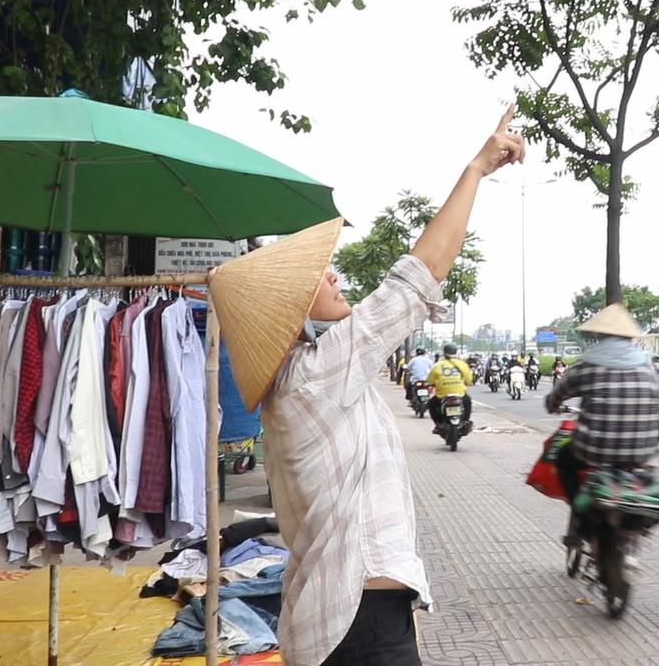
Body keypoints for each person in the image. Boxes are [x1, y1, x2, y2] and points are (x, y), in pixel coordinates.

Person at [208, 105, 525, 666]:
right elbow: (419, 273)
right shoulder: (316, 371)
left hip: (338, 621)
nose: (330, 274)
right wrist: (475, 168)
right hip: (360, 625)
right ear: (287, 310)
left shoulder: (297, 379)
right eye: (315, 276)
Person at [545, 304, 659, 546]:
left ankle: (580, 515)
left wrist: (552, 404)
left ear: (599, 334)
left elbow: (557, 394)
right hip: (641, 451)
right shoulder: (648, 365)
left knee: (564, 460)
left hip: (593, 449)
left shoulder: (587, 364)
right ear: (630, 336)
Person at [427, 343, 474, 434]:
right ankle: (465, 421)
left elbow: (430, 380)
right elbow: (468, 380)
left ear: (444, 352)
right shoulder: (462, 364)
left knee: (431, 404)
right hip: (459, 393)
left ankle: (438, 424)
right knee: (467, 401)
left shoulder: (437, 365)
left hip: (442, 394)